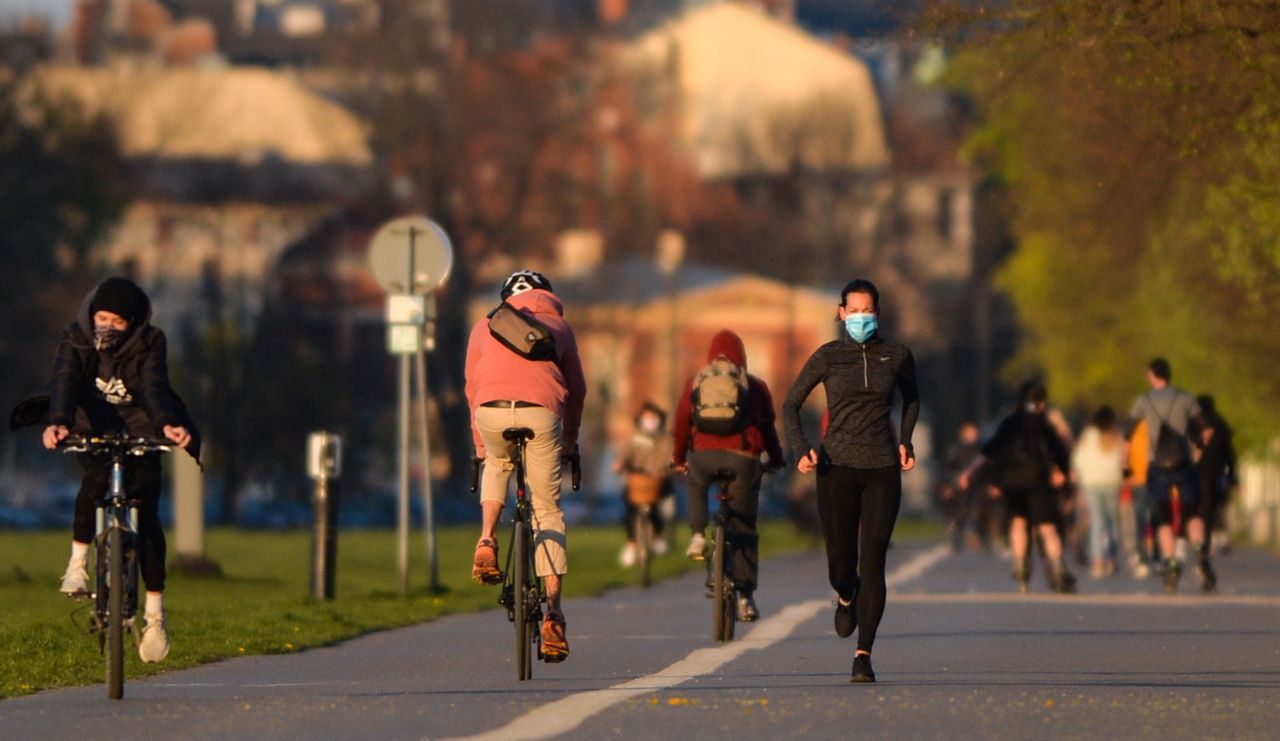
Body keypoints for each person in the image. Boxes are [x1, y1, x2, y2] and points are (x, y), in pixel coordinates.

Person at [9, 276, 200, 663]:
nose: (106, 327)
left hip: (142, 428)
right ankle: (77, 565)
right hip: (91, 425)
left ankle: (154, 615)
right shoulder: (76, 339)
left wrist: (166, 424)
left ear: (132, 324)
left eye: (117, 321)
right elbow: (65, 380)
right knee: (94, 482)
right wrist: (59, 421)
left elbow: (152, 385)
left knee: (146, 516)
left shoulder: (151, 343)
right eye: (102, 317)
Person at [782, 279, 919, 684]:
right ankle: (845, 595)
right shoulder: (828, 357)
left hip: (881, 468)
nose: (861, 317)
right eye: (854, 310)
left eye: (868, 311)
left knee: (874, 558)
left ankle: (864, 655)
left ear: (878, 313)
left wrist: (906, 441)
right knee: (842, 563)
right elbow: (791, 403)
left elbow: (912, 399)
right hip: (835, 467)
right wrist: (801, 448)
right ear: (841, 313)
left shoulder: (896, 355)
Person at [465, 270, 586, 661]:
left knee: (497, 464)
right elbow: (576, 389)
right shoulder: (560, 328)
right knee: (547, 511)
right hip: (542, 412)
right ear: (546, 296)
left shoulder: (483, 326)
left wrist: (480, 445)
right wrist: (569, 440)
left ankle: (486, 539)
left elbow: (471, 387)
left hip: (491, 411)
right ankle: (553, 612)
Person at [672, 329, 785, 623]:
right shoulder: (754, 385)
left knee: (696, 482)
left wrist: (678, 459)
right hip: (743, 459)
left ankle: (697, 535)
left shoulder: (696, 381)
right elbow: (767, 427)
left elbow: (681, 423)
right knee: (744, 525)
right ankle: (746, 598)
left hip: (703, 457)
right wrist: (775, 458)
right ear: (742, 357)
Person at [962, 381, 1075, 594]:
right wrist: (1063, 473)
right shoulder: (1044, 424)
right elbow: (1058, 452)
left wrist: (972, 473)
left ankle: (1020, 568)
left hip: (1013, 481)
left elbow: (991, 451)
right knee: (1047, 528)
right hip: (1038, 480)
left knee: (1018, 523)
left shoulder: (1010, 422)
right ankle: (1059, 568)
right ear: (1041, 402)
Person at [1128, 358, 1212, 593]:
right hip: (1183, 463)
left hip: (1158, 465)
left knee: (1163, 516)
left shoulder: (1144, 401)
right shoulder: (1186, 398)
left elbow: (1129, 433)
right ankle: (1198, 550)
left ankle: (1170, 561)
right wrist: (1198, 452)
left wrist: (1126, 464)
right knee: (1191, 512)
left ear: (1153, 375)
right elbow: (1205, 430)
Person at [613, 402, 674, 566]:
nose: (650, 421)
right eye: (647, 418)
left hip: (659, 480)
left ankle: (659, 535)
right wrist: (620, 464)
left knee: (662, 507)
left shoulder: (666, 439)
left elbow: (672, 458)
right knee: (629, 508)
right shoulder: (634, 438)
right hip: (637, 480)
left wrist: (670, 467)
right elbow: (624, 454)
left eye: (653, 418)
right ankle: (632, 543)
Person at [1071, 406, 1126, 578]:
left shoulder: (1088, 435)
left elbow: (1078, 459)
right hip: (1112, 481)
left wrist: (1078, 475)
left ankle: (1097, 562)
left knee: (1097, 522)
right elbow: (1123, 458)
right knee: (1112, 522)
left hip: (1092, 482)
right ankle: (1111, 559)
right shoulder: (1116, 435)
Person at [1195, 394, 1237, 557]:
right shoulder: (1221, 424)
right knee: (1215, 507)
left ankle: (1204, 543)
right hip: (1218, 472)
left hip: (1199, 472)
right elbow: (1230, 454)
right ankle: (1213, 540)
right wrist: (1233, 475)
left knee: (1201, 509)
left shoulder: (1196, 424)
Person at [939, 422, 986, 552]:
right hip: (960, 486)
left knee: (978, 510)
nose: (972, 435)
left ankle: (979, 536)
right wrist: (948, 485)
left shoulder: (982, 449)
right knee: (961, 511)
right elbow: (948, 469)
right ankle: (957, 537)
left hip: (978, 485)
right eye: (969, 432)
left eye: (974, 432)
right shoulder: (955, 450)